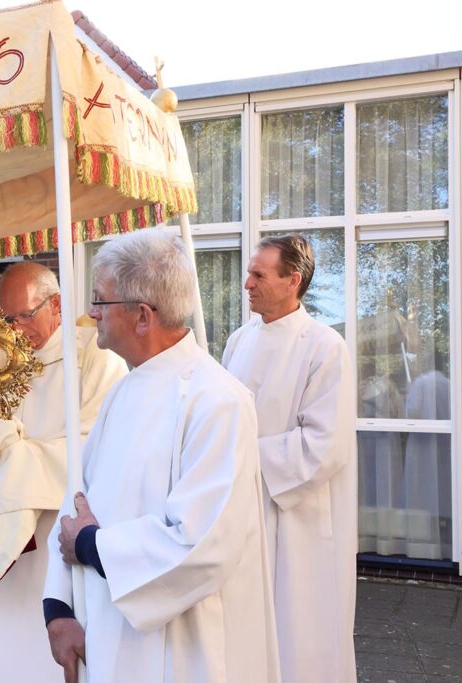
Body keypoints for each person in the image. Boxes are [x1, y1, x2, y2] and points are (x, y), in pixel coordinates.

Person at [44, 230, 280, 682]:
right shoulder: (122, 392)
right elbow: (78, 499)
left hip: (182, 648)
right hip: (105, 630)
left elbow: (201, 545)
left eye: (101, 300)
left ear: (142, 317)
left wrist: (92, 546)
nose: (91, 313)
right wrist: (59, 607)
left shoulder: (217, 402)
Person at [0, 262, 127, 683]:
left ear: (58, 305)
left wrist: (14, 455)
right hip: (8, 544)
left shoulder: (96, 356)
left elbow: (94, 447)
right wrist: (0, 438)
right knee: (6, 653)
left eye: (26, 316)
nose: (15, 329)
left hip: (62, 535)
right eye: (8, 318)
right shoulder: (1, 359)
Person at [221, 234, 357, 683]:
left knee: (299, 632)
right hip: (243, 509)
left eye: (258, 274)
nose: (247, 284)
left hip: (297, 517)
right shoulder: (238, 341)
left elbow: (325, 444)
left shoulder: (324, 346)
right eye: (249, 273)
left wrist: (241, 455)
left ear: (292, 280)